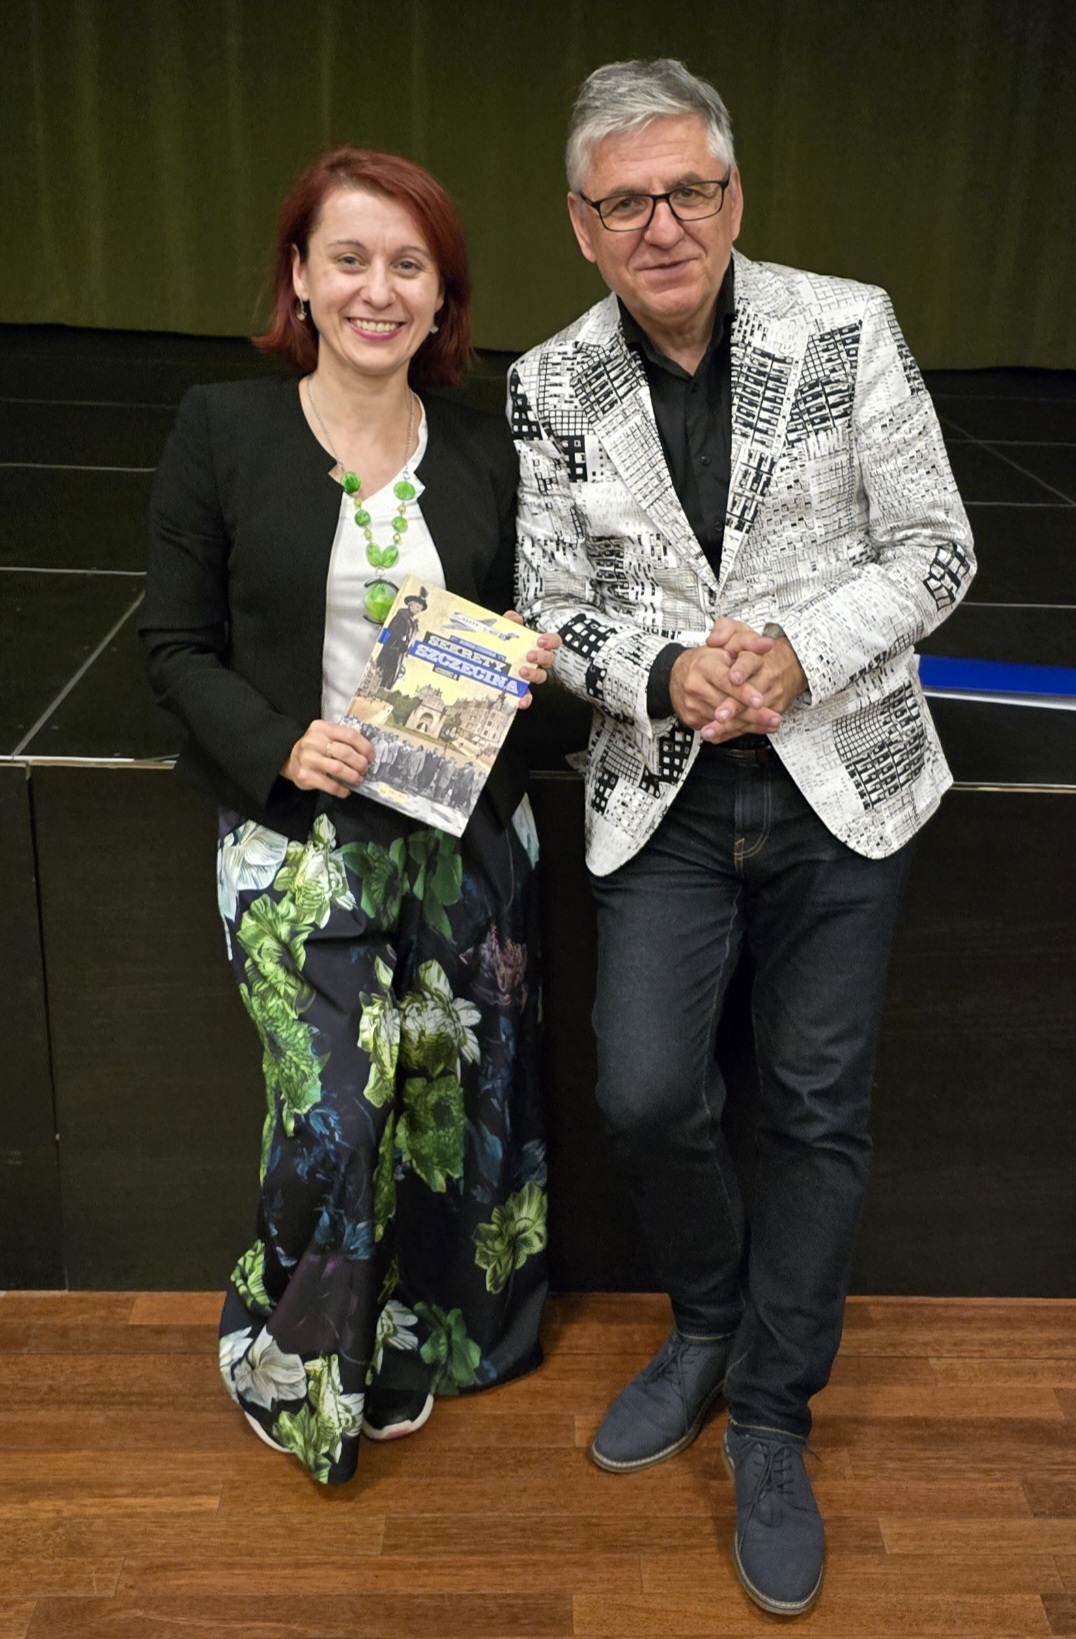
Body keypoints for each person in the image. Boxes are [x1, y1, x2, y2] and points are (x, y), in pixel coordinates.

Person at [511, 59, 974, 1615]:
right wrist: (657, 671)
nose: (662, 224)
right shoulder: (547, 383)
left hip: (848, 779)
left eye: (688, 190)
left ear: (733, 196)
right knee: (646, 1093)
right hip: (667, 792)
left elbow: (935, 549)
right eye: (626, 202)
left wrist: (796, 651)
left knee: (816, 1110)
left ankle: (773, 1413)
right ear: (581, 224)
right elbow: (542, 604)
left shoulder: (846, 325)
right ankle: (708, 1319)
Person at [141, 146, 558, 1487]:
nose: (380, 289)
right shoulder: (222, 427)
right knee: (338, 1118)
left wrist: (526, 657)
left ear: (442, 297)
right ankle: (294, 1353)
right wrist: (281, 744)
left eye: (409, 265)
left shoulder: (485, 445)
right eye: (351, 259)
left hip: (457, 835)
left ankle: (414, 1332)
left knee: (447, 1098)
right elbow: (174, 647)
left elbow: (515, 628)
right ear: (302, 280)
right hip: (297, 842)